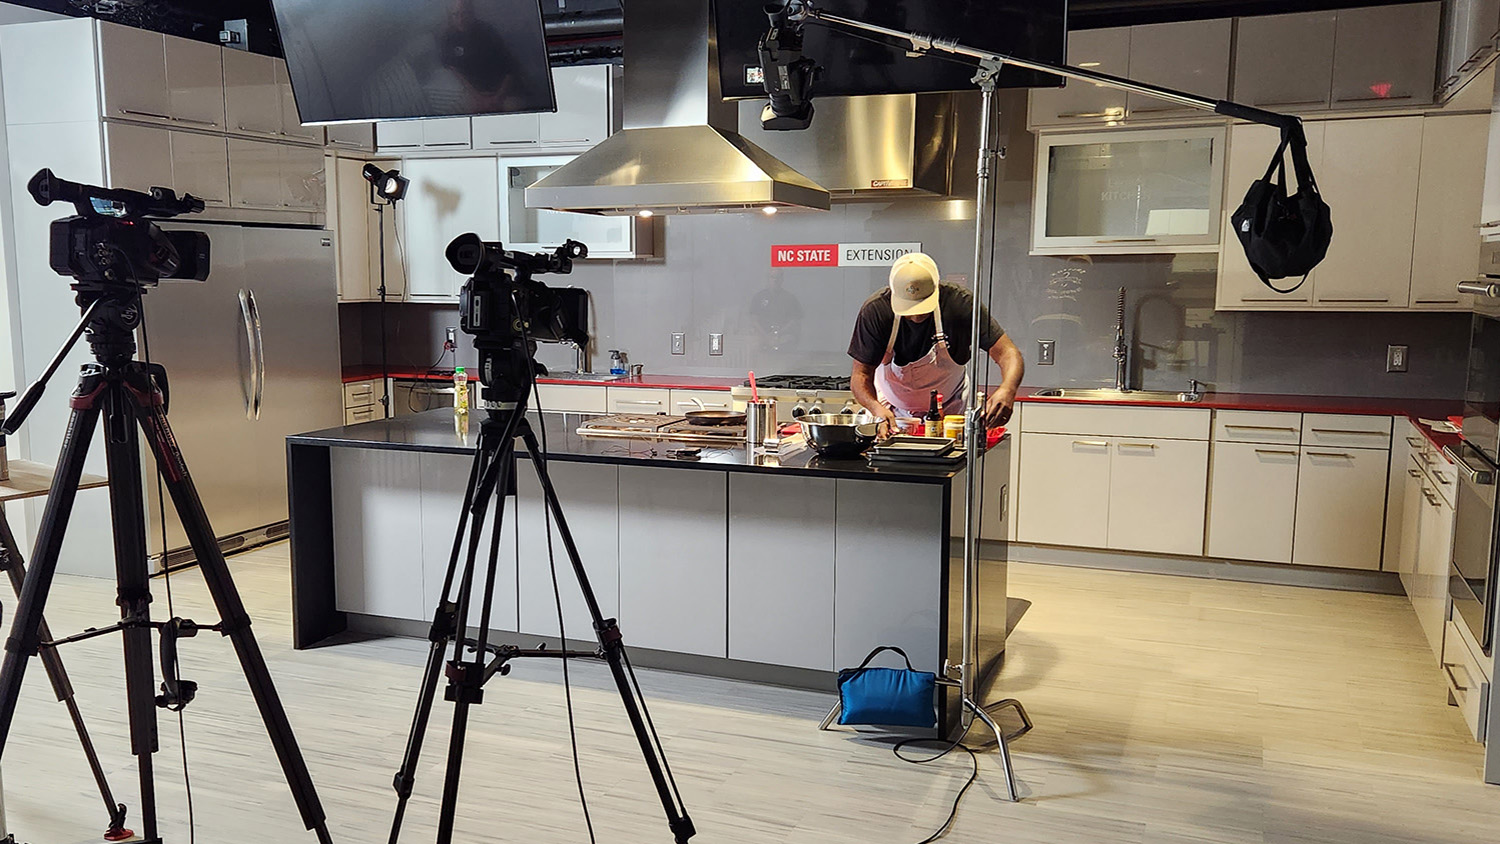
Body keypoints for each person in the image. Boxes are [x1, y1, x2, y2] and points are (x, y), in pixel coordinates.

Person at [847, 252, 1024, 437]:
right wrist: (876, 409)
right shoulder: (876, 311)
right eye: (908, 308)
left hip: (951, 412)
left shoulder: (960, 304)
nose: (916, 316)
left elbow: (1007, 353)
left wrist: (1008, 389)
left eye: (923, 307)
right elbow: (860, 376)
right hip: (891, 414)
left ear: (936, 290)